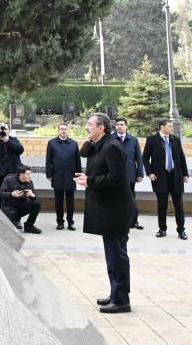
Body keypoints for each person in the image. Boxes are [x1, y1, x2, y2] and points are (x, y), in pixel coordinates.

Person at [74, 113, 135, 313]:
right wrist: (87, 177)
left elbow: (117, 177)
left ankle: (122, 300)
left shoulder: (111, 147)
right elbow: (100, 168)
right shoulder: (101, 146)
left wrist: (90, 181)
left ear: (101, 128)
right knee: (112, 256)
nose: (86, 127)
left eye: (89, 124)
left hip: (116, 211)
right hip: (108, 209)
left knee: (117, 257)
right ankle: (115, 293)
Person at [142, 118, 190, 240]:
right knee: (162, 206)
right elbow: (145, 158)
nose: (172, 128)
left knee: (179, 206)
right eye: (170, 126)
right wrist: (150, 173)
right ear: (162, 127)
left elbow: (181, 158)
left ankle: (181, 230)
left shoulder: (175, 140)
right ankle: (162, 229)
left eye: (172, 126)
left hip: (176, 177)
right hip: (160, 177)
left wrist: (185, 174)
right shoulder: (152, 140)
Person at [45, 123, 82, 230]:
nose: (63, 130)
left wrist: (79, 174)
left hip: (71, 175)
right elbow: (48, 160)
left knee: (71, 200)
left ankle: (70, 222)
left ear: (68, 131)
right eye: (61, 129)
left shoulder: (74, 144)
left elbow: (78, 160)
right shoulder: (52, 143)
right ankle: (60, 222)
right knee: (59, 201)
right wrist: (48, 174)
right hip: (57, 175)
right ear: (58, 130)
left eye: (65, 129)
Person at [112, 117, 145, 230]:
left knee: (131, 199)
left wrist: (140, 174)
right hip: (114, 175)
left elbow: (139, 158)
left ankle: (133, 221)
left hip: (130, 175)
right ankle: (116, 221)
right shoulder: (110, 139)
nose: (119, 126)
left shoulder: (133, 140)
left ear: (126, 126)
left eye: (122, 124)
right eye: (117, 124)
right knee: (115, 199)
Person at [0, 165, 42, 233]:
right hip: (9, 209)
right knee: (9, 225)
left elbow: (35, 199)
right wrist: (11, 195)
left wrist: (32, 196)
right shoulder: (9, 179)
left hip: (20, 208)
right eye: (28, 174)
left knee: (37, 204)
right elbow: (1, 193)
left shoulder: (30, 182)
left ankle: (29, 226)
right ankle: (14, 220)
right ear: (21, 174)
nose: (30, 176)